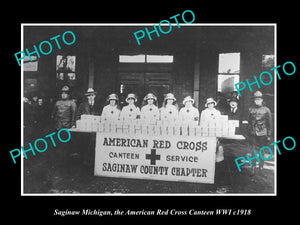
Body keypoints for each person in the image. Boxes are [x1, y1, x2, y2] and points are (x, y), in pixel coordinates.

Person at [247, 90, 272, 173]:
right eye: (256, 99)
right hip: (253, 133)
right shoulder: (250, 109)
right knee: (253, 151)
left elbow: (269, 124)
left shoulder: (266, 110)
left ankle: (261, 167)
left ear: (262, 100)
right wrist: (248, 132)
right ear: (254, 100)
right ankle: (253, 167)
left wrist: (268, 135)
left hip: (262, 133)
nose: (257, 101)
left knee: (262, 150)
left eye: (259, 99)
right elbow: (249, 122)